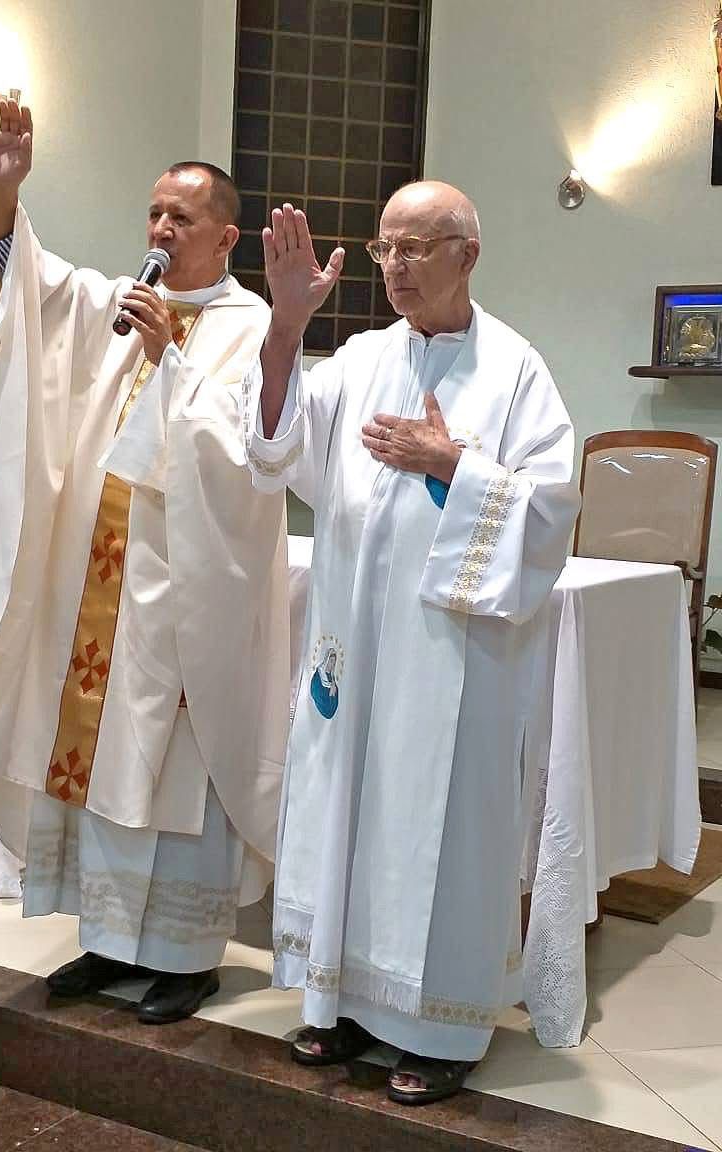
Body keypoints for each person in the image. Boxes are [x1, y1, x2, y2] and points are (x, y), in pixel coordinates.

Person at [0, 99, 290, 1023]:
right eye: (153, 214)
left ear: (226, 237)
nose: (160, 230)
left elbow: (245, 455)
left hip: (182, 593)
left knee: (175, 760)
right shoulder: (115, 299)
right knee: (96, 763)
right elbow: (21, 299)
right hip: (94, 585)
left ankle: (184, 956)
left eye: (181, 218)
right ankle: (103, 941)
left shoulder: (251, 325)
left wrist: (167, 358)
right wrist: (2, 192)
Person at [241, 182, 580, 1103]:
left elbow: (551, 511)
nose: (393, 267)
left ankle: (439, 1028)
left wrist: (452, 467)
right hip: (354, 637)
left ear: (468, 254)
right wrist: (282, 327)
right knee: (350, 804)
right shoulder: (355, 359)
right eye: (385, 248)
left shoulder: (515, 373)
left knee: (443, 823)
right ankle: (341, 1001)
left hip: (454, 658)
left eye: (415, 249)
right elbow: (275, 449)